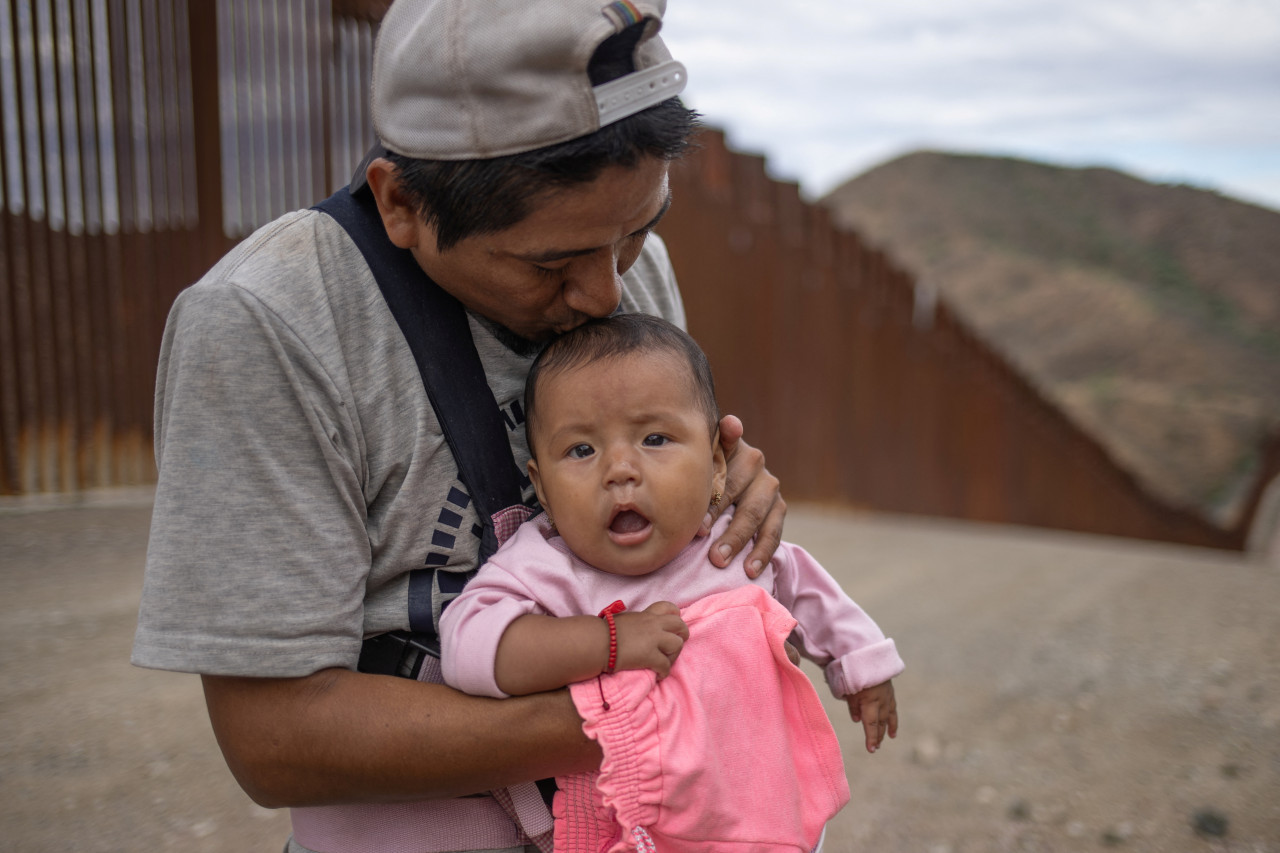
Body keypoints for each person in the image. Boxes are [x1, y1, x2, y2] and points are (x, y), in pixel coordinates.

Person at [130, 2, 786, 852]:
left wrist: (720, 510)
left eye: (638, 230)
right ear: (400, 201)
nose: (607, 296)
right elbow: (276, 737)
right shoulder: (270, 322)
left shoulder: (622, 261)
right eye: (549, 263)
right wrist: (652, 707)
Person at [439, 314, 903, 851]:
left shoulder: (732, 544)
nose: (619, 469)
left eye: (654, 438)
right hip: (634, 826)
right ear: (541, 487)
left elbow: (808, 588)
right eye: (582, 450)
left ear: (715, 462)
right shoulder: (547, 564)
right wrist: (606, 641)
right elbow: (466, 645)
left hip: (760, 801)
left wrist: (862, 666)